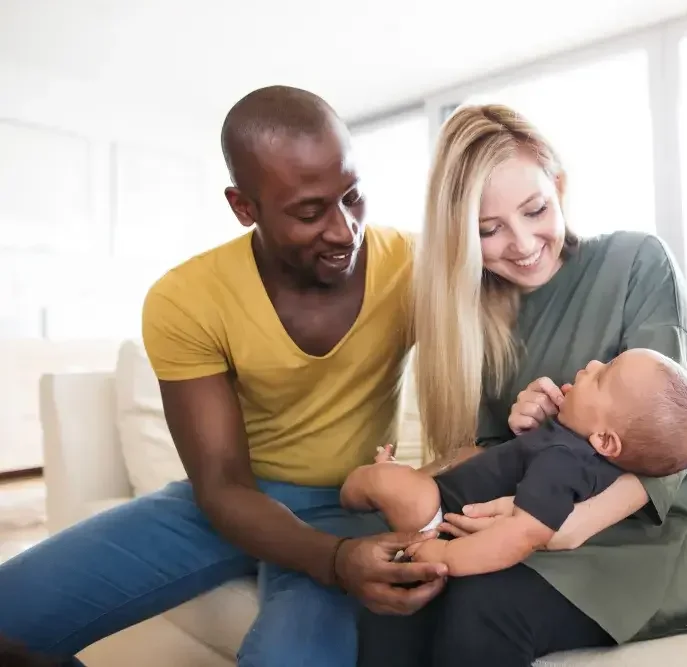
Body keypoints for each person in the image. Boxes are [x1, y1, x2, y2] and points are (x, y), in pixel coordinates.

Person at [0, 86, 449, 667]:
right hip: (231, 498)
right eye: (310, 212)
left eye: (353, 197)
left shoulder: (413, 266)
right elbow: (221, 484)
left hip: (351, 500)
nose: (343, 230)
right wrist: (333, 560)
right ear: (244, 208)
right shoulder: (186, 298)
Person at [358, 103, 687, 667]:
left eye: (535, 210)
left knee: (483, 604)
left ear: (559, 186)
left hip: (660, 522)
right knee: (405, 585)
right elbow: (494, 460)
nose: (522, 243)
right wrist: (507, 435)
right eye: (489, 229)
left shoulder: (636, 261)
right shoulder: (472, 316)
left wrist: (566, 527)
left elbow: (674, 435)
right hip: (542, 506)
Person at [342, 348, 687, 578]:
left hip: (442, 513)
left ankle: (352, 493)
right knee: (405, 480)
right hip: (447, 495)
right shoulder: (570, 447)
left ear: (604, 439)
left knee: (387, 484)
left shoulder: (564, 462)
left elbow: (521, 536)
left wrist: (447, 557)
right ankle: (376, 484)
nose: (594, 363)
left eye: (602, 377)